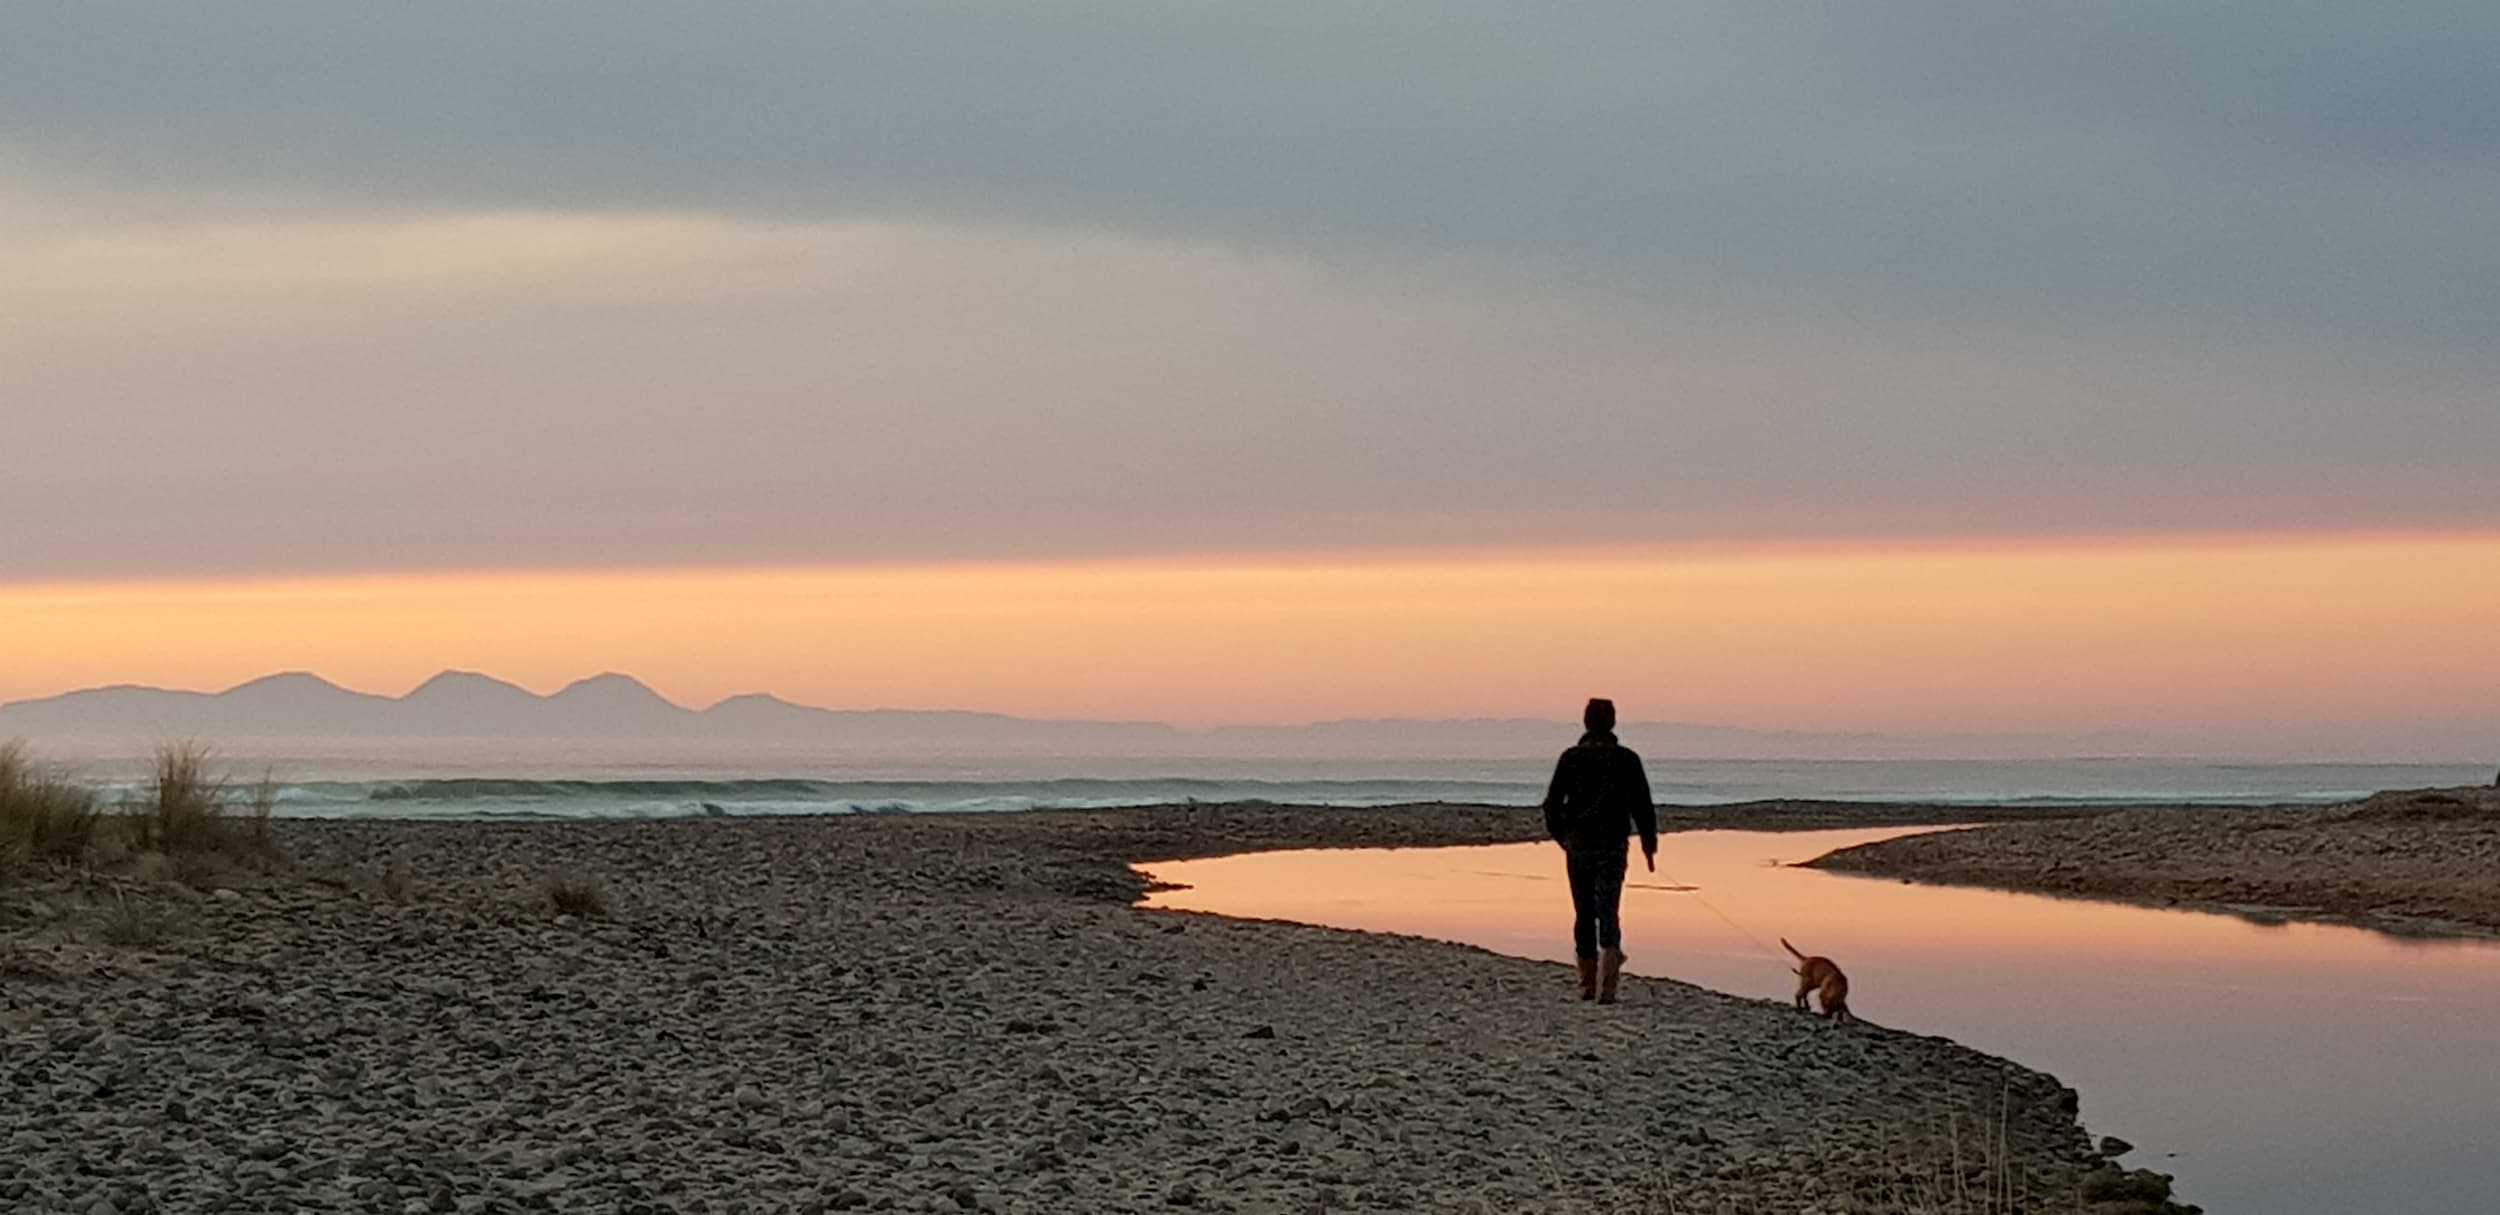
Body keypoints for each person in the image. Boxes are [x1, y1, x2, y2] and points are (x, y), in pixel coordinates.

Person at [1541, 697, 1658, 1004]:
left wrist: (1562, 836)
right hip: (1612, 845)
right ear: (1612, 722)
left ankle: (1587, 984)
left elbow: (1552, 804)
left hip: (1578, 845)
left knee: (1583, 912)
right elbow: (1643, 805)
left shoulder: (1571, 757)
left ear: (1586, 722)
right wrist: (1649, 844)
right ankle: (1608, 984)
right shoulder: (1627, 759)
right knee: (1608, 910)